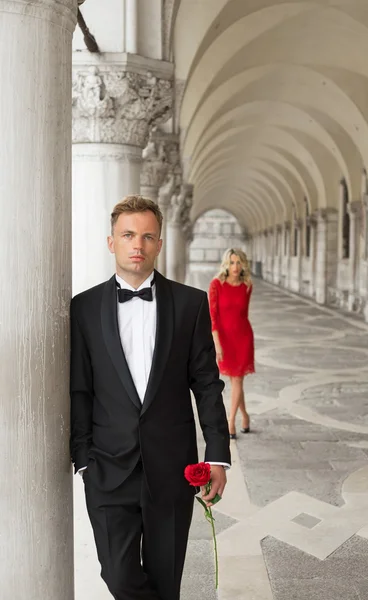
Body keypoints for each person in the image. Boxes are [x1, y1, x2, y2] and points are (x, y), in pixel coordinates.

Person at [70, 195, 230, 600]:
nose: (137, 244)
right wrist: (83, 458)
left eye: (147, 236)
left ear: (160, 243)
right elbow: (80, 388)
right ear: (112, 242)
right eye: (127, 235)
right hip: (107, 469)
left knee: (165, 583)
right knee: (120, 578)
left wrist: (216, 456)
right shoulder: (84, 308)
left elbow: (207, 383)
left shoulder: (190, 304)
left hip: (172, 468)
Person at [208, 248, 255, 440]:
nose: (235, 267)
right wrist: (217, 344)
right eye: (231, 263)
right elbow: (213, 317)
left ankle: (231, 421)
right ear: (226, 265)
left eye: (238, 262)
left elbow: (243, 314)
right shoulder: (216, 285)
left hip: (243, 338)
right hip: (224, 339)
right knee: (236, 381)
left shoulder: (247, 285)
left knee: (238, 380)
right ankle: (245, 416)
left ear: (243, 264)